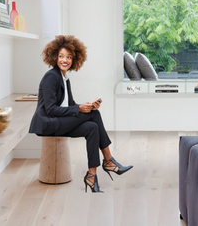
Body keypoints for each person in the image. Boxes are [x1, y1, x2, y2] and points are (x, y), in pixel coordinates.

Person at [29, 35, 133, 193]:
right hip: (48, 123)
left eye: (69, 57)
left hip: (60, 121)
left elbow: (69, 105)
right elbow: (51, 109)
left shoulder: (65, 79)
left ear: (74, 59)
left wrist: (88, 106)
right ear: (54, 57)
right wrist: (79, 109)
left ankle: (92, 175)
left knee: (92, 126)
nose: (65, 60)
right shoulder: (51, 77)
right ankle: (109, 161)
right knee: (95, 116)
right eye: (61, 56)